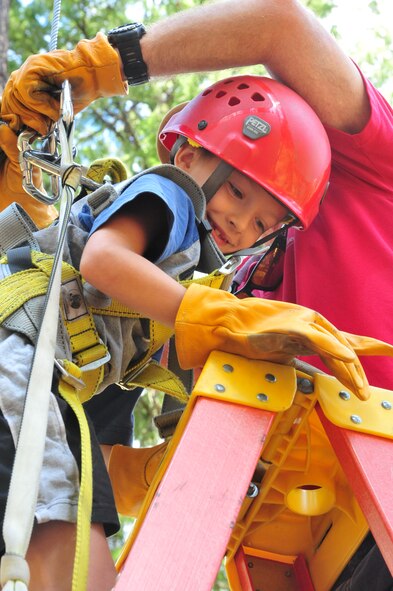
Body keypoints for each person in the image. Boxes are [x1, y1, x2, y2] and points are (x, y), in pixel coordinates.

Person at [0, 0, 392, 589]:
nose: (241, 224)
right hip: (304, 546)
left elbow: (99, 426)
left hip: (352, 504)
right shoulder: (203, 290)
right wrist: (95, 70)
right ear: (190, 155)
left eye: (262, 222)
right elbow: (279, 22)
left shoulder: (218, 291)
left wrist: (142, 470)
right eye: (236, 195)